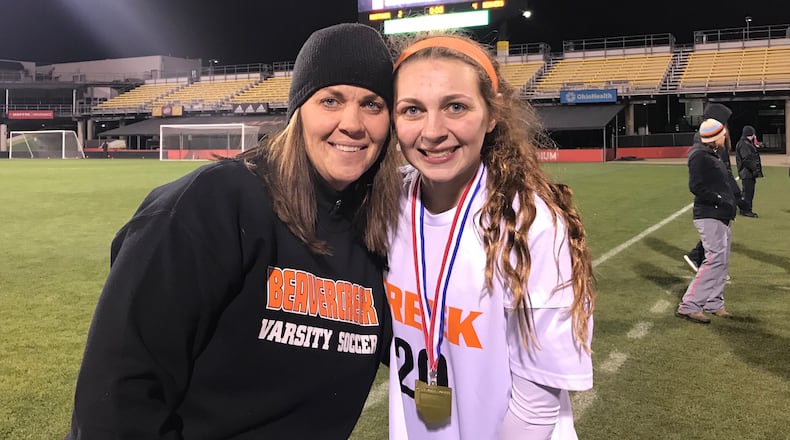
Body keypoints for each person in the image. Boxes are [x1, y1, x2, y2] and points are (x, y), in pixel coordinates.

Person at [65, 23, 401, 439]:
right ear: (299, 110)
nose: (352, 123)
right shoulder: (210, 205)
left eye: (372, 104)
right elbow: (117, 396)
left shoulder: (380, 233)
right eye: (330, 100)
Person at [385, 33, 595, 439]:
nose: (432, 131)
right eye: (412, 109)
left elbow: (537, 401)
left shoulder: (531, 223)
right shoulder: (388, 203)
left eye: (456, 107)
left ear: (492, 114)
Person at [676, 116, 741, 324]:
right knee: (714, 259)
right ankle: (689, 305)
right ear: (715, 137)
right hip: (709, 214)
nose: (725, 136)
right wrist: (720, 200)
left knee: (721, 261)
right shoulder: (699, 156)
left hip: (720, 214)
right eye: (723, 133)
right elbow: (696, 186)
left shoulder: (712, 153)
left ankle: (714, 302)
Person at [735, 125, 763, 218]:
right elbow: (747, 159)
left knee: (747, 192)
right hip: (747, 172)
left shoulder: (744, 143)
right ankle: (746, 210)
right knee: (748, 192)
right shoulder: (744, 144)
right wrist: (755, 170)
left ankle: (744, 209)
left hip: (746, 172)